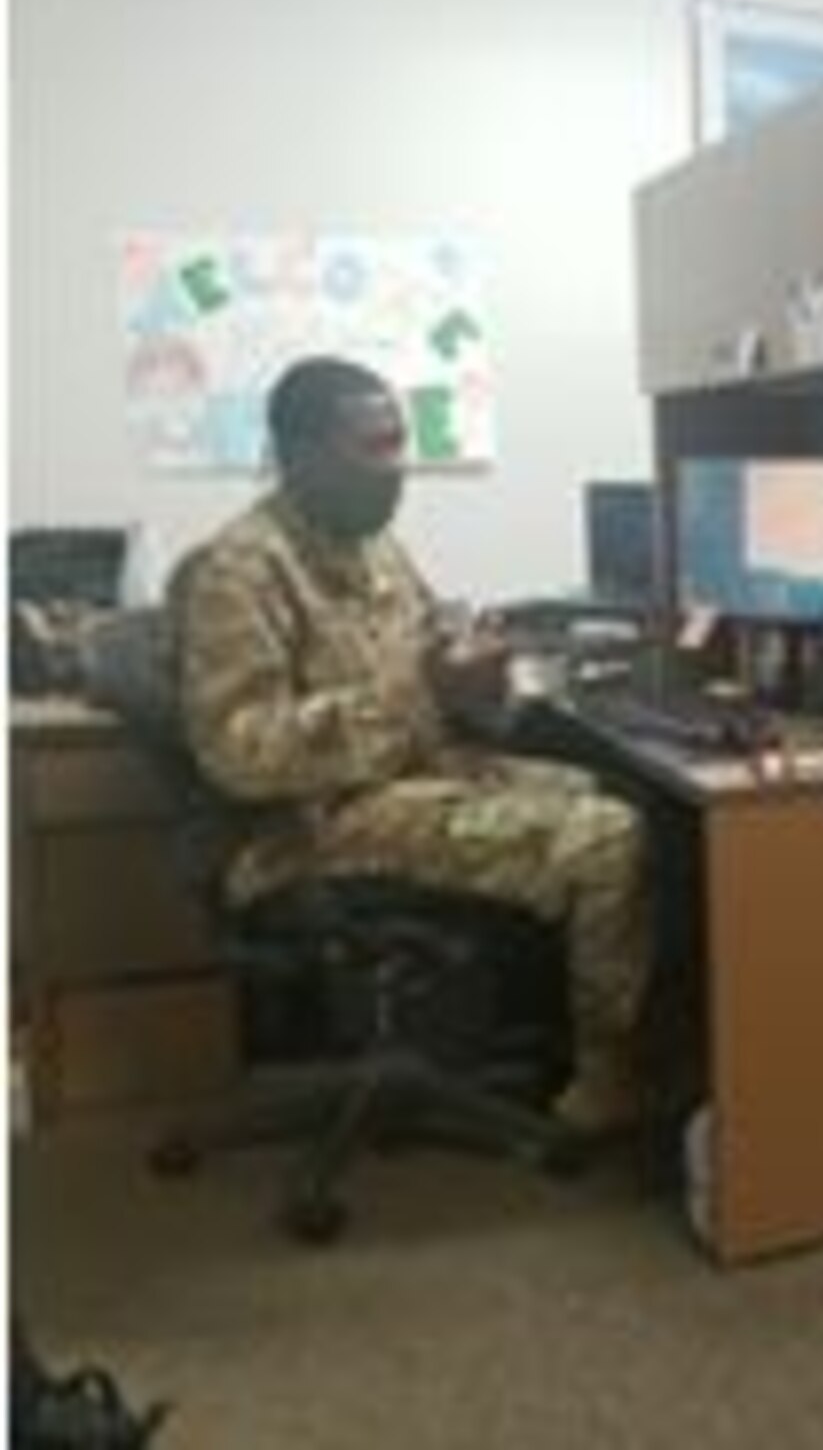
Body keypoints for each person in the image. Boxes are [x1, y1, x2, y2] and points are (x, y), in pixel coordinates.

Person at [170, 355, 651, 1135]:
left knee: (607, 790)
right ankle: (606, 1084)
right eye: (376, 447)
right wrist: (422, 695)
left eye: (401, 443)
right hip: (311, 826)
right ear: (299, 456)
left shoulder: (373, 549)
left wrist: (479, 674)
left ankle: (578, 1041)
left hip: (409, 780)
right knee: (608, 839)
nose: (399, 469)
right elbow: (240, 752)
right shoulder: (236, 572)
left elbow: (433, 657)